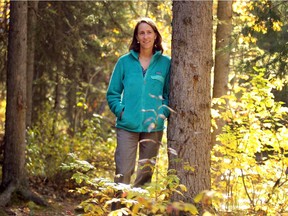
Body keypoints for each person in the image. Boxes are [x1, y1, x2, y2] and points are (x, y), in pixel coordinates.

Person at [106, 17, 171, 189]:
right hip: (127, 125)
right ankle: (118, 212)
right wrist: (121, 112)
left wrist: (162, 114)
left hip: (153, 127)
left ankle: (138, 212)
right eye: (141, 33)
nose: (145, 36)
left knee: (145, 175)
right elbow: (112, 93)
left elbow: (169, 94)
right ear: (136, 37)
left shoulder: (166, 63)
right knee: (123, 172)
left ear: (156, 36)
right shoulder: (124, 62)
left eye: (149, 32)